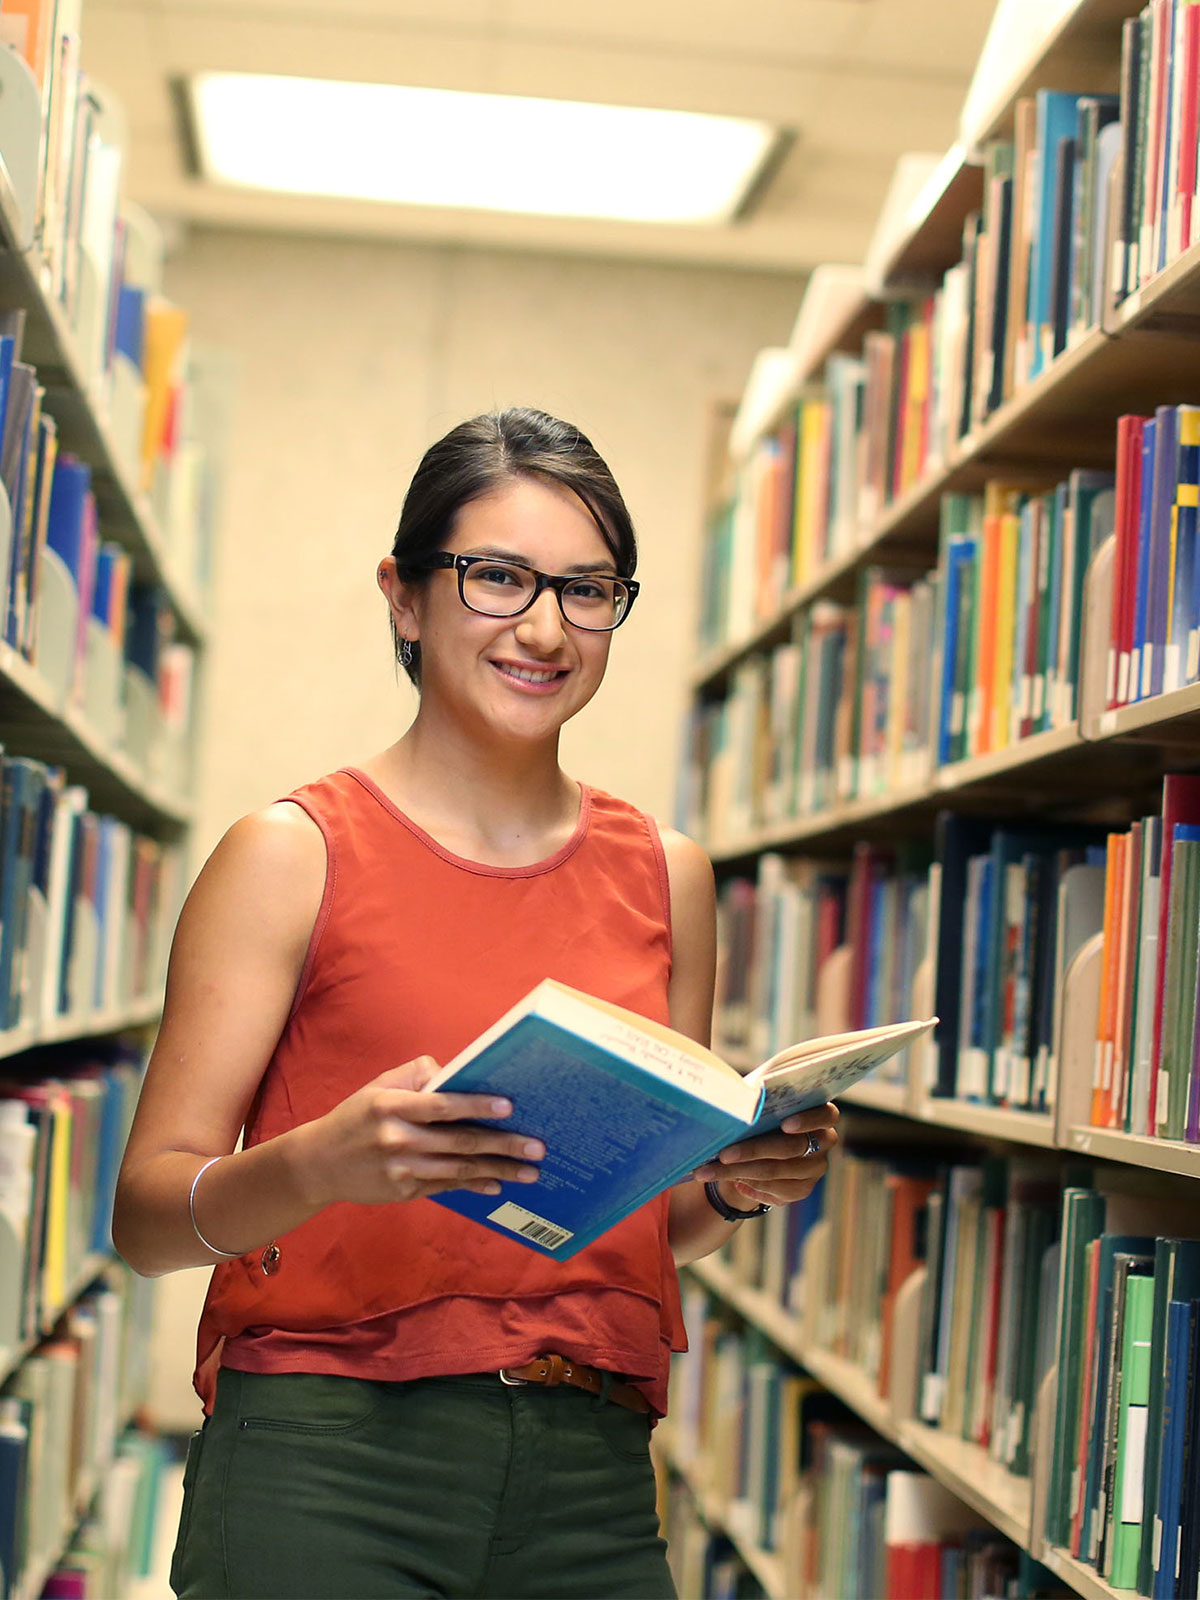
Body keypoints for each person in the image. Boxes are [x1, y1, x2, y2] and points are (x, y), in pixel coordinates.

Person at [113, 407, 839, 1600]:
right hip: (327, 1461)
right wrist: (319, 1166)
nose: (546, 628)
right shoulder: (291, 853)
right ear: (406, 596)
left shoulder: (670, 874)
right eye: (498, 577)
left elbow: (622, 1224)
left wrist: (730, 1187)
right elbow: (145, 1223)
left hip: (593, 1476)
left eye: (588, 589)